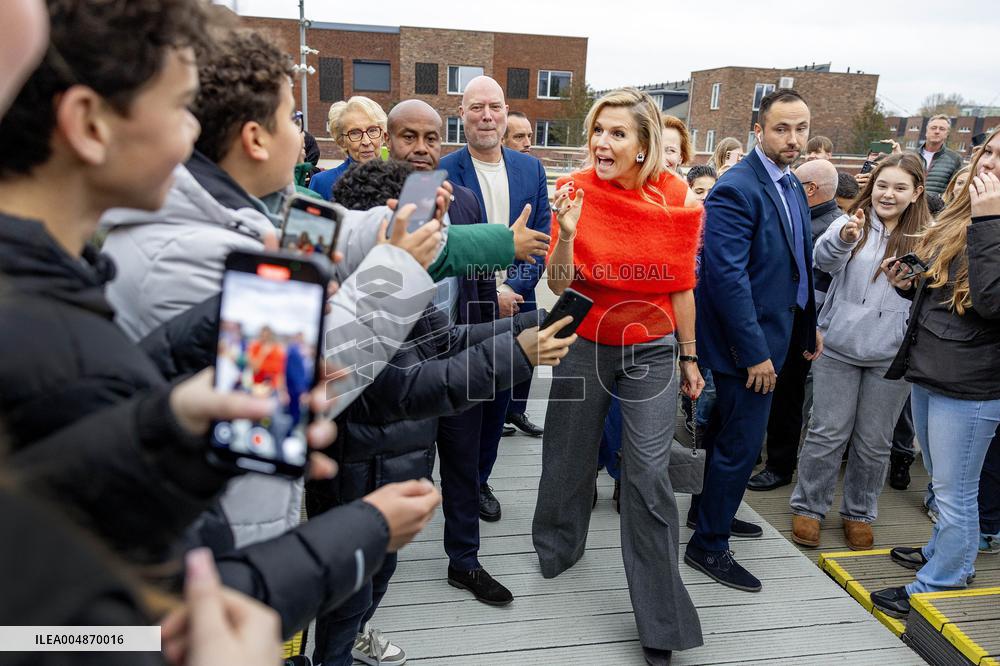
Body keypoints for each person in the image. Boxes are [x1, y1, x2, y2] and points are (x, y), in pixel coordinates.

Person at [0, 8, 444, 643]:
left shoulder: (249, 218)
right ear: (88, 124)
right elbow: (68, 633)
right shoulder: (123, 283)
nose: (193, 135)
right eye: (183, 107)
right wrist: (360, 532)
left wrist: (170, 423)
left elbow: (60, 486)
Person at [534, 88, 705, 666]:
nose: (602, 143)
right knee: (567, 452)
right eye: (597, 132)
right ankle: (558, 547)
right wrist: (565, 229)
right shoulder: (576, 190)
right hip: (583, 340)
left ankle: (661, 624)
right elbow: (559, 284)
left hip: (652, 349)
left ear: (643, 145)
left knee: (649, 474)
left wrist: (689, 355)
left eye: (616, 134)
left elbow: (681, 281)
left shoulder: (674, 194)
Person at [384, 98, 551, 606]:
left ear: (443, 139)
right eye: (407, 137)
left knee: (463, 465)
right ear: (388, 138)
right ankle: (369, 580)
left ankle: (465, 561)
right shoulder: (369, 198)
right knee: (394, 475)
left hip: (459, 350)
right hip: (393, 369)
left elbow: (478, 282)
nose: (420, 148)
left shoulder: (464, 200)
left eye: (430, 138)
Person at [689, 89, 820, 593]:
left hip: (779, 335)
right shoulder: (736, 188)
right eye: (782, 128)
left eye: (801, 128)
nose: (793, 138)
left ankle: (707, 514)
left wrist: (808, 328)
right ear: (759, 132)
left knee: (728, 437)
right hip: (749, 347)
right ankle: (709, 545)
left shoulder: (789, 183)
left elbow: (794, 267)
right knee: (741, 446)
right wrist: (755, 354)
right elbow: (725, 278)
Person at [871, 128, 1000, 618]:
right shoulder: (966, 212)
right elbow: (949, 293)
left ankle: (943, 580)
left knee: (955, 490)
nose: (987, 162)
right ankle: (946, 556)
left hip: (971, 383)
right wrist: (910, 284)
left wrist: (990, 221)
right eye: (988, 150)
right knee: (943, 484)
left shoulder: (988, 218)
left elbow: (992, 302)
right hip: (934, 366)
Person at [789, 153, 931, 550]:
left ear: (916, 191)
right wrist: (843, 239)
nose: (889, 194)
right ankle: (809, 507)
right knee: (827, 431)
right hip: (839, 346)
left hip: (892, 355)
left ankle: (859, 512)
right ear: (873, 186)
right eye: (883, 185)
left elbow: (930, 293)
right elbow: (822, 261)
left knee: (873, 440)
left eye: (900, 187)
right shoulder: (851, 222)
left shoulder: (930, 235)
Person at [440, 75, 552, 517]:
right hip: (461, 306)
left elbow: (540, 240)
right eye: (477, 107)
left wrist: (511, 288)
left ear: (506, 113)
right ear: (462, 114)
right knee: (459, 405)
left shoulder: (531, 169)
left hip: (514, 305)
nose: (487, 115)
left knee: (496, 403)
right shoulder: (443, 170)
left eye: (496, 107)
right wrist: (488, 287)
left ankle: (478, 483)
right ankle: (453, 485)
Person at [747, 158, 840, 491]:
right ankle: (763, 458)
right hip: (791, 320)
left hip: (799, 321)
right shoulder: (808, 217)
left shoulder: (828, 226)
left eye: (793, 182)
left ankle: (779, 465)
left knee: (786, 399)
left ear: (810, 189)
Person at [309, 95, 387, 200]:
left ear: (383, 135)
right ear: (342, 141)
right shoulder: (323, 182)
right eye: (355, 133)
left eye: (372, 130)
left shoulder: (397, 180)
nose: (366, 141)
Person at [916, 114, 963, 195]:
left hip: (937, 207)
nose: (937, 131)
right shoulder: (912, 155)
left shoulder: (955, 159)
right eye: (933, 128)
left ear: (947, 134)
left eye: (942, 129)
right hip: (910, 205)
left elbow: (954, 190)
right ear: (927, 131)